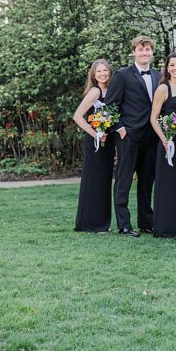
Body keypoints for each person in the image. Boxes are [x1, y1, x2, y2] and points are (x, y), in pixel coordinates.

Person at [108, 36, 161, 237]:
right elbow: (110, 106)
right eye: (141, 50)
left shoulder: (158, 76)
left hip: (151, 136)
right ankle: (124, 224)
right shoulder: (122, 75)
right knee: (124, 180)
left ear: (152, 53)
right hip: (128, 136)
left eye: (147, 50)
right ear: (134, 52)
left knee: (147, 181)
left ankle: (147, 222)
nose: (144, 53)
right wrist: (120, 128)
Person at [73, 59, 117, 232]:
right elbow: (77, 116)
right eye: (99, 71)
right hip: (95, 142)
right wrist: (96, 134)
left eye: (105, 71)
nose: (102, 74)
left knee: (104, 182)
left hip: (108, 141)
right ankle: (88, 223)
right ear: (93, 74)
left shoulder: (111, 91)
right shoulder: (95, 91)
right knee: (93, 181)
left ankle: (102, 223)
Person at [150, 53, 176, 238]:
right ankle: (165, 226)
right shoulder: (163, 89)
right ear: (167, 68)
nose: (175, 68)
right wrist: (164, 138)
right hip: (168, 143)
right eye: (172, 65)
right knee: (168, 184)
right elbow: (153, 118)